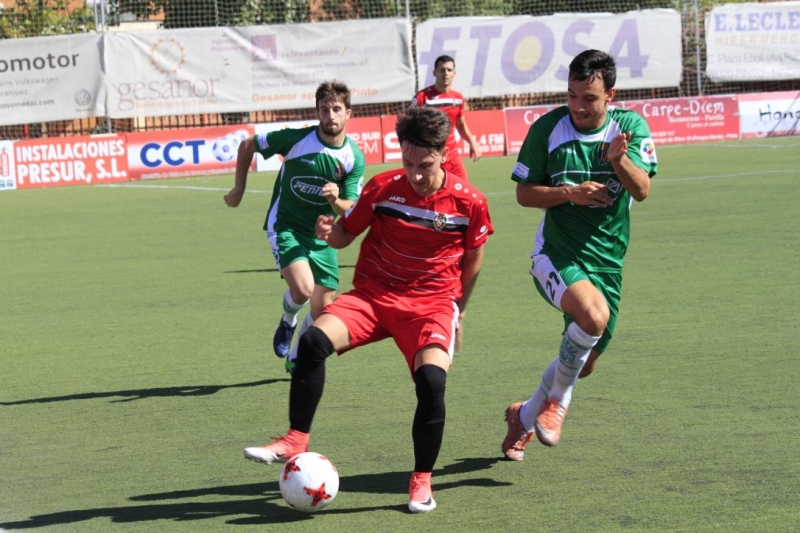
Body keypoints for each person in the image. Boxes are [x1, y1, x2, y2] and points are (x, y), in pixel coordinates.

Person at [242, 106, 494, 513]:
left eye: (424, 165)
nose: (414, 174)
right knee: (312, 342)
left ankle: (421, 482)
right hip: (375, 296)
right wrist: (330, 232)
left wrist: (458, 311)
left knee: (431, 383)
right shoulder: (382, 187)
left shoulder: (470, 203)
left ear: (444, 154)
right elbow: (344, 235)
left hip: (430, 306)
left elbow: (474, 260)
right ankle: (295, 439)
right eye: (407, 162)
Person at [501, 49, 657, 461]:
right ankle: (558, 404)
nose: (578, 107)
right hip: (555, 253)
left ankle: (525, 414)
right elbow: (522, 193)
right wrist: (570, 192)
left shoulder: (630, 128)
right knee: (591, 317)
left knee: (583, 361)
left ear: (610, 95)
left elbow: (641, 190)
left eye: (588, 98)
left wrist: (618, 159)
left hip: (607, 261)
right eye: (571, 96)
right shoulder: (549, 129)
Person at [224, 81, 365, 373]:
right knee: (302, 289)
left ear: (348, 113)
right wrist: (239, 188)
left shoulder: (353, 158)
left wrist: (336, 201)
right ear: (317, 112)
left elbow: (351, 205)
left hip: (322, 236)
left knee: (323, 310)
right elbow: (248, 144)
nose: (330, 115)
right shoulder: (299, 139)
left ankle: (296, 356)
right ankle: (287, 321)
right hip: (285, 225)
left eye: (336, 109)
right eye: (324, 109)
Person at [410, 54, 481, 180]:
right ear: (434, 73)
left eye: (449, 70)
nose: (446, 73)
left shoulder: (458, 98)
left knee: (463, 192)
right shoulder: (422, 97)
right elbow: (409, 126)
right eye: (442, 70)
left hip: (452, 155)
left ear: (454, 73)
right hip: (430, 156)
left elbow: (460, 125)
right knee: (432, 195)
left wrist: (472, 143)